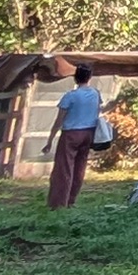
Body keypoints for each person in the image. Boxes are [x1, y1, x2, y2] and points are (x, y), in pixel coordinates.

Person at [43, 57, 105, 209]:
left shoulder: (70, 96)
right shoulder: (95, 94)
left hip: (71, 134)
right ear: (89, 77)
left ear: (75, 77)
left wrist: (50, 140)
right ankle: (71, 200)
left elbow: (59, 121)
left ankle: (58, 203)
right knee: (79, 167)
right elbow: (97, 112)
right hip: (88, 133)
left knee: (64, 168)